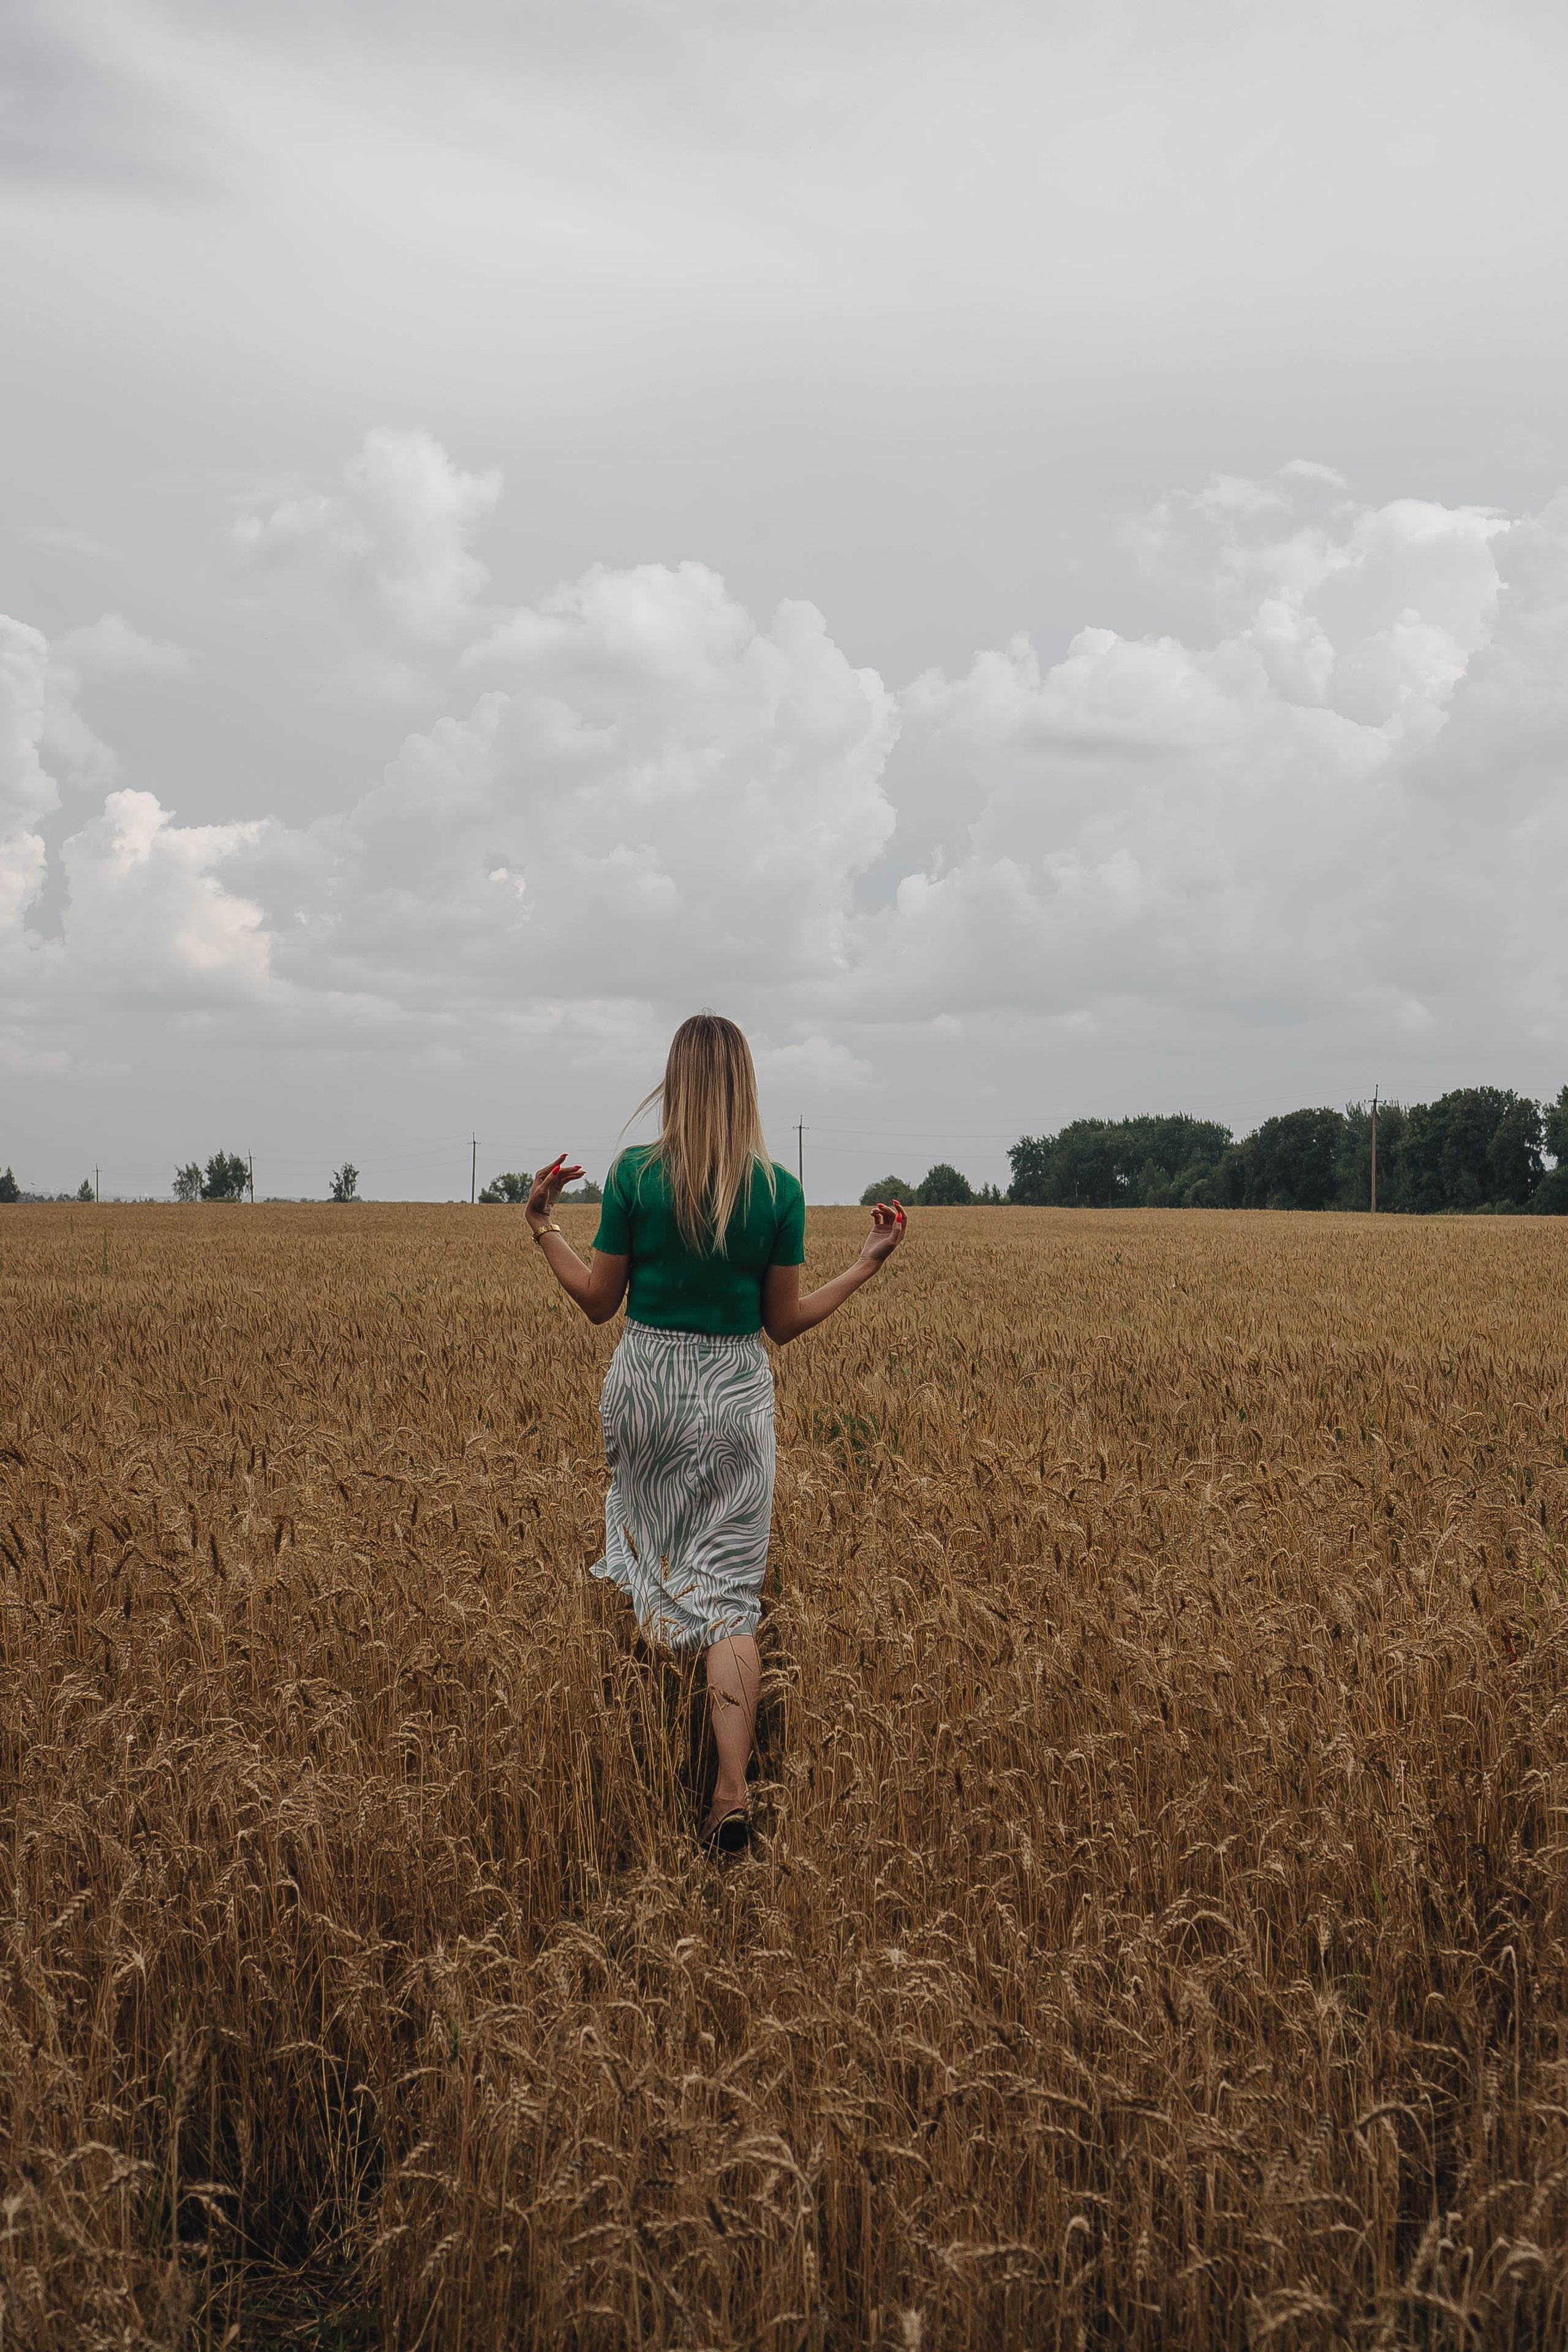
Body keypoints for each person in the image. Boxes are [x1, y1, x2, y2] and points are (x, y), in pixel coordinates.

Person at [526, 1012, 906, 1852]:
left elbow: (596, 1303)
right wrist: (866, 1262)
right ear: (746, 1085)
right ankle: (730, 1792)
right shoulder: (778, 1191)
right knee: (730, 1598)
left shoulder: (633, 1175)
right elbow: (784, 1324)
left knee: (648, 1553)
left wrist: (543, 1227)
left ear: (675, 1080)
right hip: (735, 1390)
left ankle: (647, 1731)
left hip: (647, 1384)